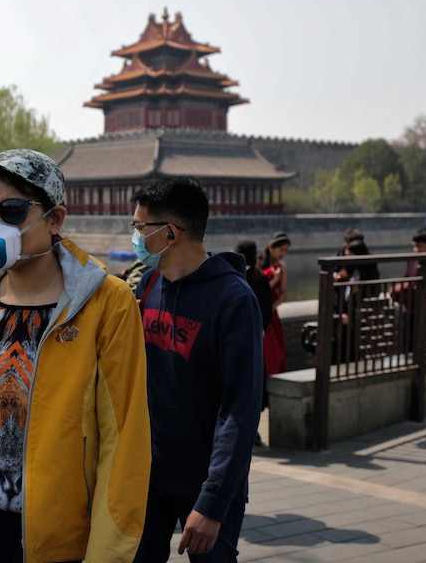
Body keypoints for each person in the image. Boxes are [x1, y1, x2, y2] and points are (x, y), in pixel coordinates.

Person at [0, 149, 151, 562]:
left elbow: (124, 441)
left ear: (55, 219)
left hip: (59, 535)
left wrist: (106, 555)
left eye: (12, 211)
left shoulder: (107, 304)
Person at [131, 177, 264, 562]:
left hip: (207, 481)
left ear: (170, 233)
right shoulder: (150, 283)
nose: (135, 237)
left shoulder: (234, 301)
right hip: (149, 474)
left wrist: (213, 501)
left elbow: (240, 409)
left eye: (140, 227)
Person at [235, 239, 273, 447]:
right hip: (254, 339)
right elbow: (267, 310)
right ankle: (252, 429)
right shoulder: (260, 279)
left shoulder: (231, 276)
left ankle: (249, 430)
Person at [333, 240, 381, 363]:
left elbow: (372, 293)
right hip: (346, 317)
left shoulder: (368, 273)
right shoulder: (347, 272)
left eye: (350, 256)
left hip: (361, 319)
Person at [261, 232, 291, 376]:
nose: (283, 253)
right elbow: (258, 289)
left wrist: (273, 306)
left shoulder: (282, 267)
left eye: (286, 250)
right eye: (281, 250)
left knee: (274, 351)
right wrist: (274, 279)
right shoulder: (259, 263)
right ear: (270, 247)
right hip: (260, 307)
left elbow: (284, 294)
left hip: (271, 312)